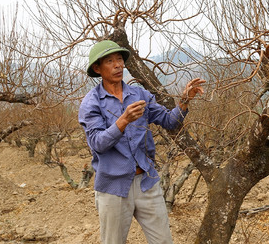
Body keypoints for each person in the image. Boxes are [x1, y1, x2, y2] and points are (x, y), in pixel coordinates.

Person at [78, 40, 205, 244]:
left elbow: (169, 121)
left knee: (163, 241)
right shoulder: (91, 103)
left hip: (146, 181)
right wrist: (123, 121)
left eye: (120, 59)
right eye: (110, 61)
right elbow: (97, 144)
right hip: (113, 186)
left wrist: (184, 100)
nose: (118, 65)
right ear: (97, 68)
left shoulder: (139, 95)